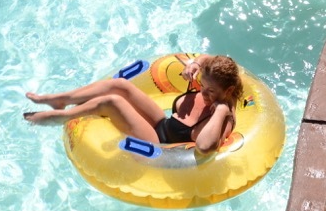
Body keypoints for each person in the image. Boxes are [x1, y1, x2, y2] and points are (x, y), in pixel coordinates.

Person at [24, 54, 243, 152]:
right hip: (162, 124)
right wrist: (195, 63)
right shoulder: (214, 81)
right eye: (202, 85)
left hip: (160, 145)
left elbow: (205, 147)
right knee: (119, 85)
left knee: (112, 102)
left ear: (229, 91)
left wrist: (222, 110)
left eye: (210, 91)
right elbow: (209, 59)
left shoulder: (222, 117)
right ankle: (61, 99)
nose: (203, 92)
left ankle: (61, 118)